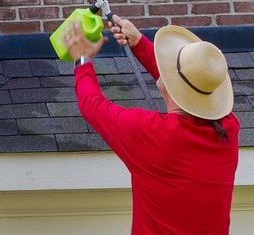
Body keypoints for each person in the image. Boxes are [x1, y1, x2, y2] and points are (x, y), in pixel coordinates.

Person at [62, 14, 240, 235]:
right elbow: (185, 85)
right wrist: (137, 42)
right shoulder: (228, 130)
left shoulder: (151, 133)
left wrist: (82, 59)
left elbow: (92, 105)